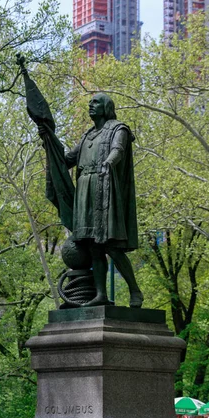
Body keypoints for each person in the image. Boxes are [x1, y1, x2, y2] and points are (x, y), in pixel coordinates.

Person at [38, 93, 143, 307]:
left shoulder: (118, 128)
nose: (90, 106)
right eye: (90, 103)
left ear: (106, 106)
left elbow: (118, 150)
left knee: (111, 246)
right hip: (84, 194)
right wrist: (48, 140)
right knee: (93, 246)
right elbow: (66, 160)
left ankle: (135, 291)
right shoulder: (88, 135)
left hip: (104, 190)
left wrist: (109, 163)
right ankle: (101, 295)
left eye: (95, 103)